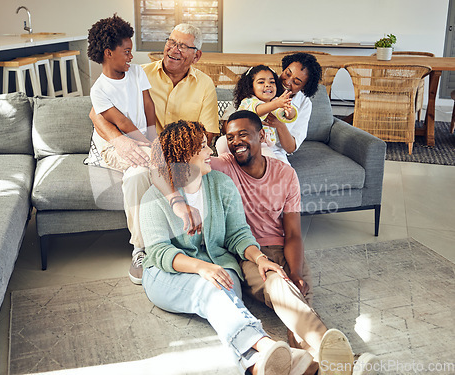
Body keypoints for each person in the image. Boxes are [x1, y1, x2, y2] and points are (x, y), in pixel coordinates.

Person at [164, 111, 378, 374]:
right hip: (248, 251)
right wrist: (176, 202)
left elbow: (294, 233)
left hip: (281, 247)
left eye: (243, 134)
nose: (236, 142)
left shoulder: (285, 175)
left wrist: (296, 271)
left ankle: (322, 366)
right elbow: (171, 163)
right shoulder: (222, 166)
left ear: (262, 136)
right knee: (279, 286)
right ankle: (342, 358)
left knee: (298, 308)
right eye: (230, 137)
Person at [139, 120, 314, 375]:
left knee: (221, 291)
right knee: (209, 291)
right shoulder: (153, 198)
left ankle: (255, 366)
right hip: (167, 274)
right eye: (202, 147)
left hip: (220, 265)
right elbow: (159, 252)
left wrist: (259, 258)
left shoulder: (221, 184)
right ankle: (267, 345)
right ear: (184, 155)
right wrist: (201, 268)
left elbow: (238, 234)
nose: (211, 150)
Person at [89, 23, 220, 284]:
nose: (174, 49)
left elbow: (208, 134)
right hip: (143, 148)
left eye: (183, 46)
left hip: (176, 152)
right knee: (137, 175)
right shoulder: (138, 72)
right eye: (171, 41)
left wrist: (174, 151)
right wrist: (120, 141)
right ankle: (141, 249)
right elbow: (96, 113)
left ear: (197, 55)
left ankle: (203, 244)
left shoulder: (205, 85)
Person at [84, 14, 157, 284]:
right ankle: (140, 249)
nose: (131, 56)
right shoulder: (99, 90)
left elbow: (148, 107)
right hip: (116, 143)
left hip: (142, 138)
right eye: (126, 51)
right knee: (147, 168)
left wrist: (153, 137)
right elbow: (122, 123)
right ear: (108, 52)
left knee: (141, 173)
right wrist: (151, 147)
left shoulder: (137, 72)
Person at [216, 65, 297, 162]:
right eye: (261, 82)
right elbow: (257, 111)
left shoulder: (275, 102)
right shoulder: (248, 101)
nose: (268, 85)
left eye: (272, 82)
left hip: (260, 144)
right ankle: (227, 162)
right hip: (239, 140)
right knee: (221, 142)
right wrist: (276, 104)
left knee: (270, 159)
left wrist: (288, 110)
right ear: (251, 87)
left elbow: (284, 115)